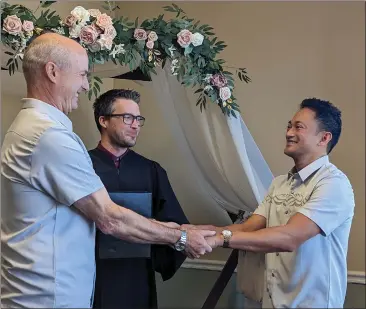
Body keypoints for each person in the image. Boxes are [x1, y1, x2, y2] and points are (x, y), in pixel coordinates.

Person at [0, 33, 215, 308]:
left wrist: (182, 229)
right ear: (53, 72)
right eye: (81, 75)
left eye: (138, 119)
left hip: (64, 288)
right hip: (47, 296)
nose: (85, 85)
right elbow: (110, 218)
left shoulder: (35, 129)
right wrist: (182, 236)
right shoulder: (47, 136)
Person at [196, 99, 355, 308]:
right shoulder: (279, 183)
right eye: (289, 126)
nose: (289, 132)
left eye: (299, 127)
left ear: (324, 138)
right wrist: (198, 232)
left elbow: (289, 238)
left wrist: (220, 240)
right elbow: (248, 227)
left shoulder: (333, 184)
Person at [88, 89, 189, 309]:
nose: (135, 125)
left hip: (136, 276)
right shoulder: (82, 166)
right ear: (103, 120)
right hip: (89, 276)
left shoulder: (151, 171)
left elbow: (175, 224)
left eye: (138, 119)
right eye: (127, 118)